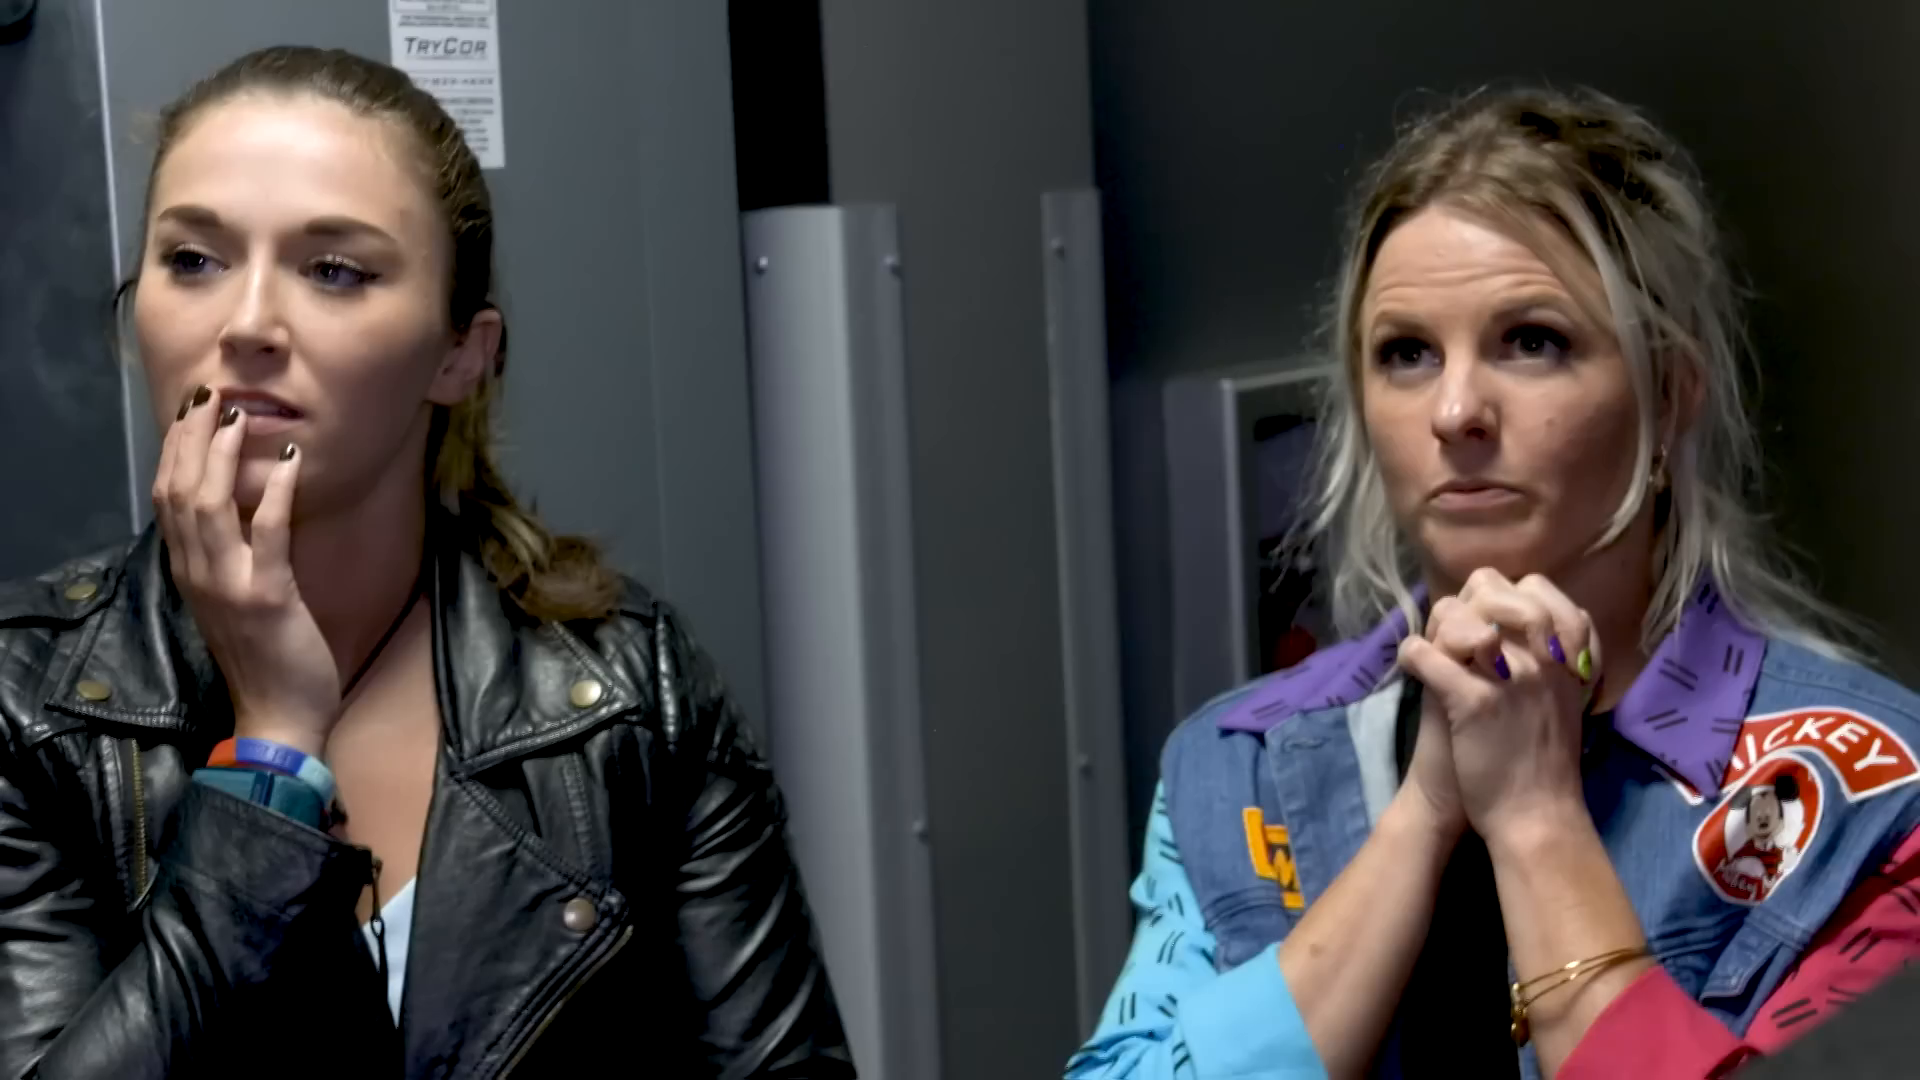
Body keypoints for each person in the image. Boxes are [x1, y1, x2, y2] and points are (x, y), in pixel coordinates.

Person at [0, 46, 854, 1078]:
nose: (247, 323)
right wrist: (270, 758)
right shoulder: (24, 706)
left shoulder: (633, 697)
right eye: (194, 259)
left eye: (333, 270)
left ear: (461, 354)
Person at [1067, 86, 1920, 1080]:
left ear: (1671, 393)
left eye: (1532, 340)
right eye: (1407, 354)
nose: (1455, 411)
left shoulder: (1875, 796)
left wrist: (1534, 817)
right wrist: (1425, 812)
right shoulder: (1237, 762)